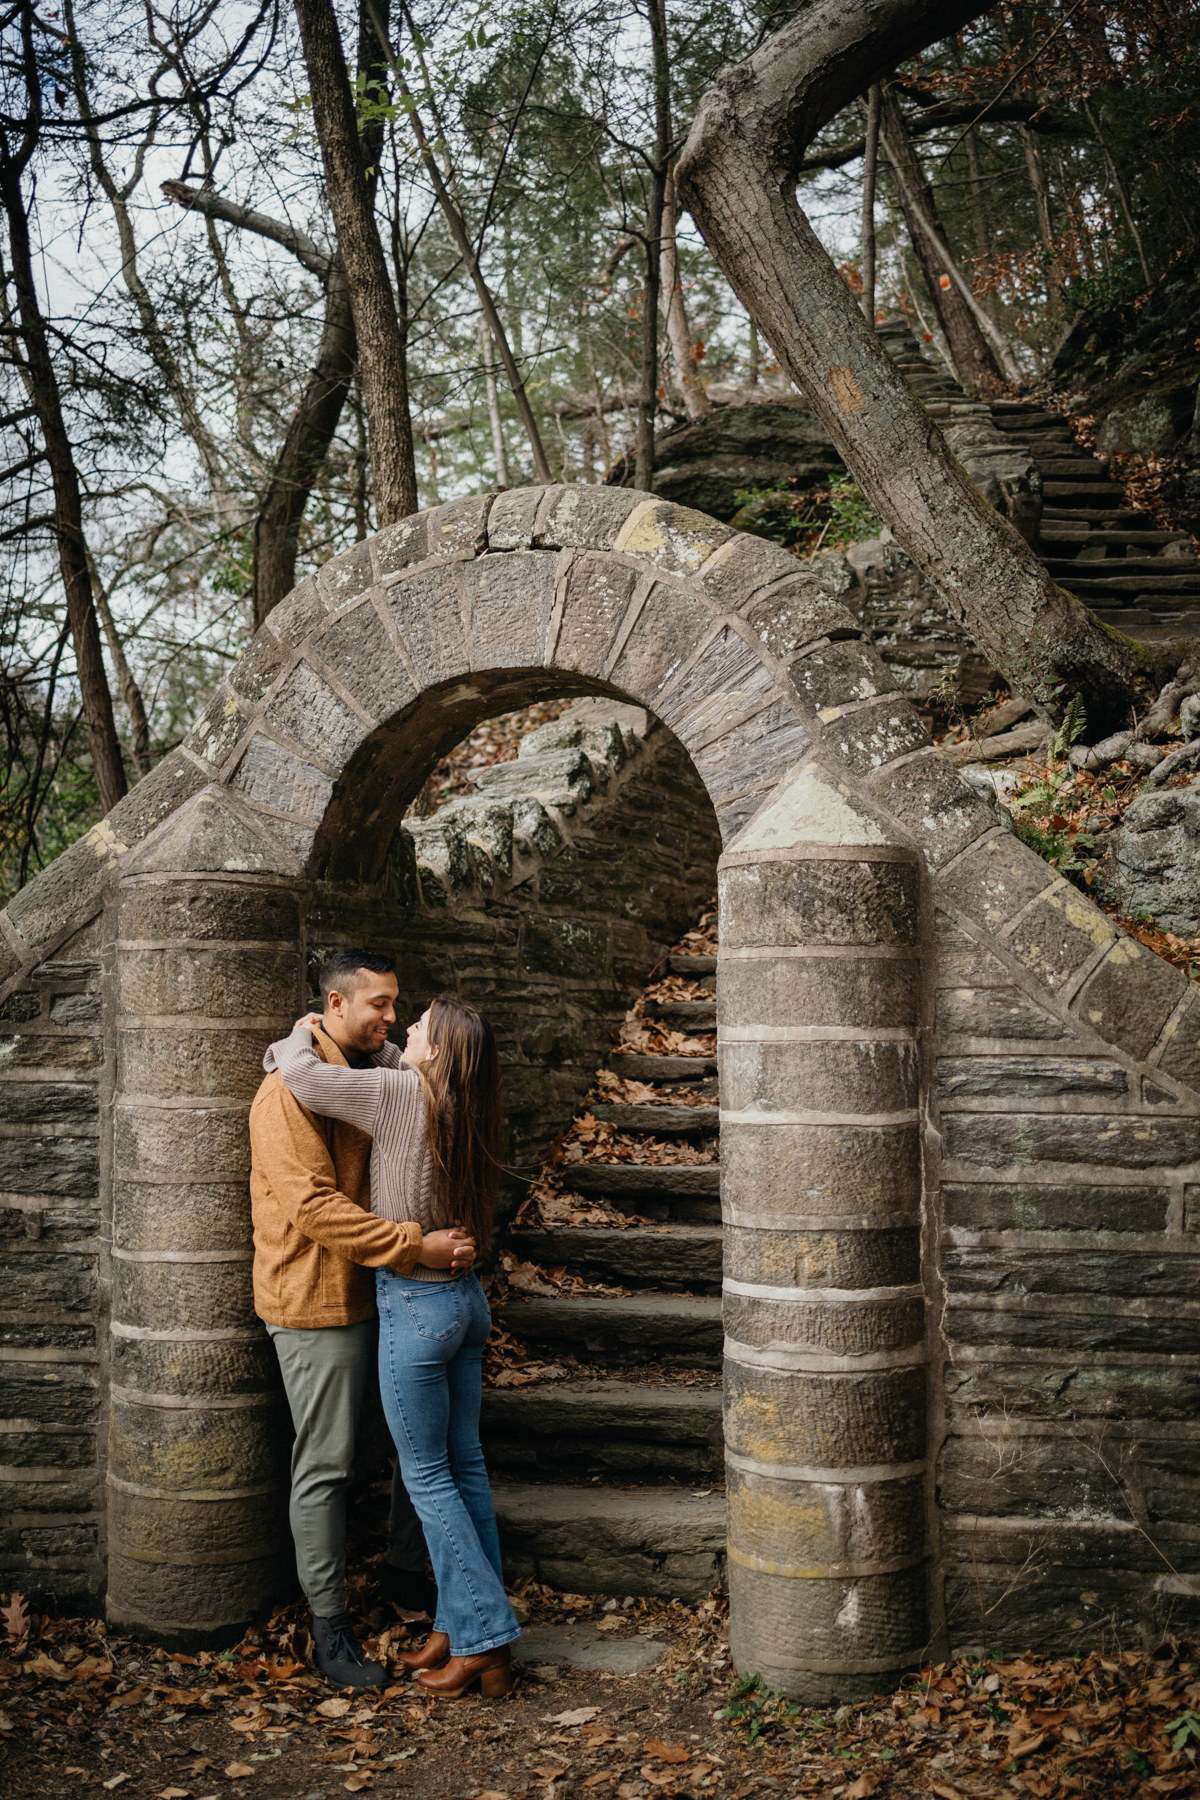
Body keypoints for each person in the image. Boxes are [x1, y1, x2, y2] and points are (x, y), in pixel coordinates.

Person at [267, 993, 521, 1700]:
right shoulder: (462, 1104)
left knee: (428, 1477)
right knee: (464, 1468)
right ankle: (456, 1618)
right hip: (465, 1304)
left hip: (416, 1304)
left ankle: (485, 1640)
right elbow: (381, 1063)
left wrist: (298, 1033)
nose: (406, 1028)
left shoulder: (402, 1093)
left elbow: (307, 1078)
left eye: (420, 1028)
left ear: (434, 1053)